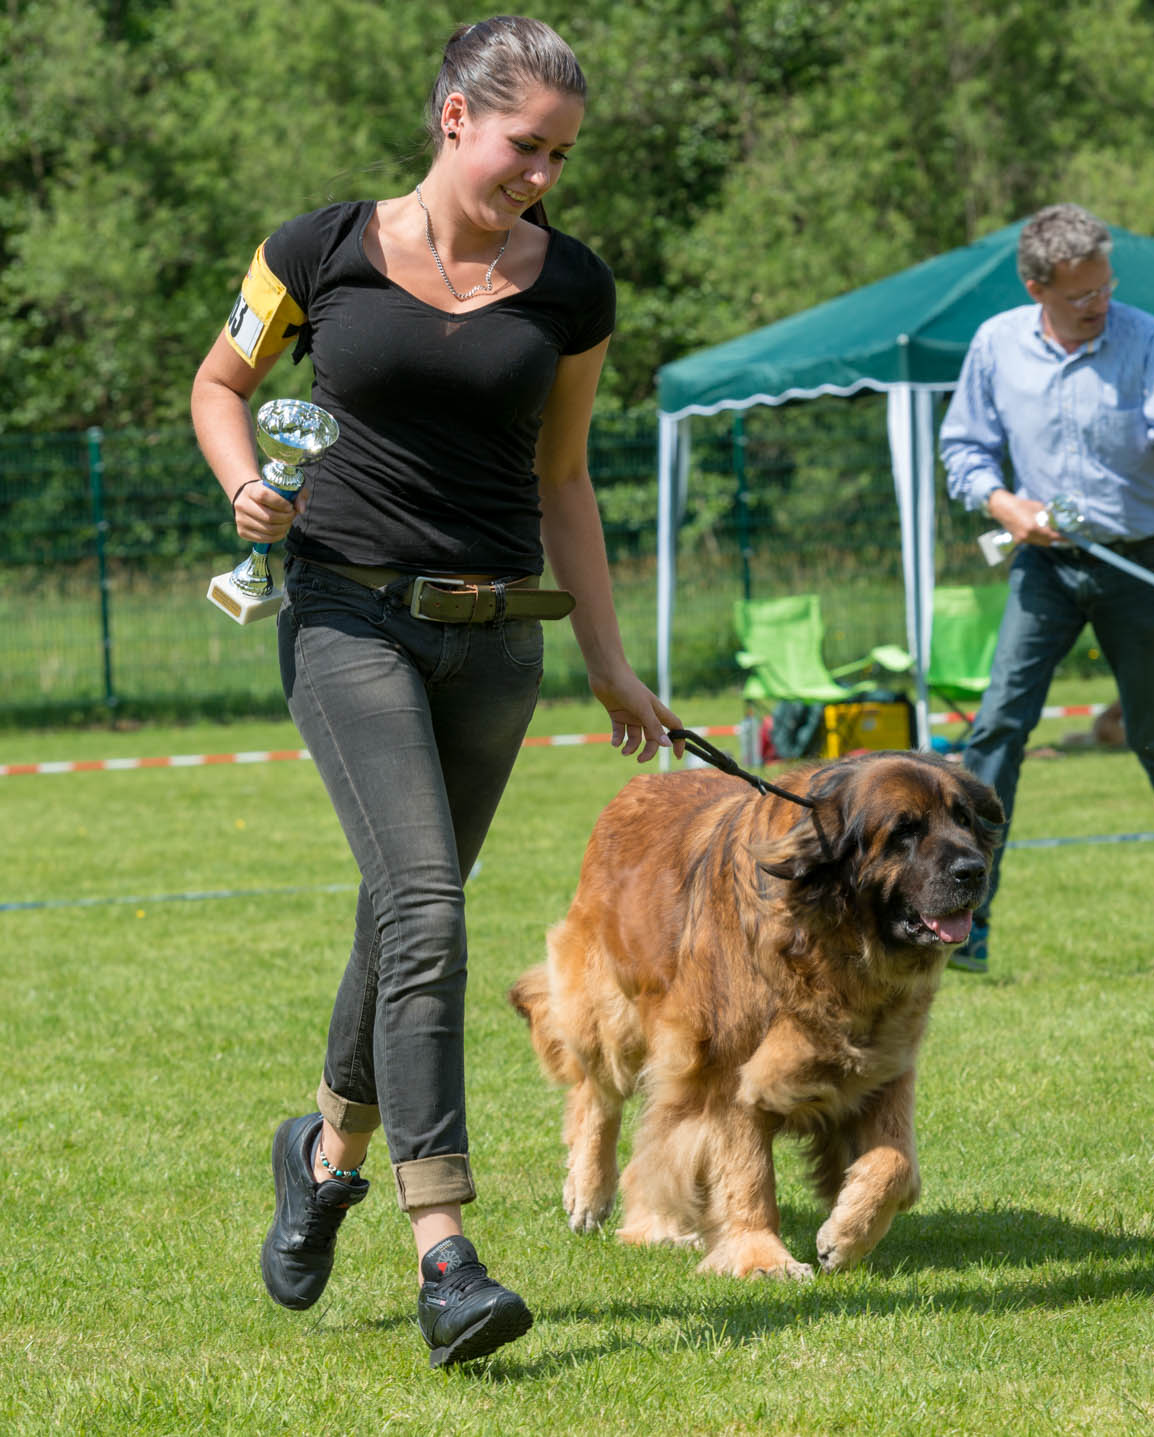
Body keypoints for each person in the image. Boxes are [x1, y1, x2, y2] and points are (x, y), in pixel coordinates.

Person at [190, 15, 682, 1368]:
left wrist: (609, 658)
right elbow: (222, 383)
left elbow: (564, 476)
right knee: (426, 909)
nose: (545, 175)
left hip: (498, 639)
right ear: (456, 117)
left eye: (563, 155)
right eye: (528, 145)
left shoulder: (572, 289)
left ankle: (325, 1153)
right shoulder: (317, 250)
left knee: (401, 911)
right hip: (346, 615)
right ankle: (445, 1251)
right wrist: (244, 483)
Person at [939, 203, 1154, 974]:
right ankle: (968, 911)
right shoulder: (996, 345)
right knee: (996, 729)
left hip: (1141, 560)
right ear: (1037, 288)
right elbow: (964, 448)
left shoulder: (1148, 341)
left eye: (1106, 287)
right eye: (1081, 295)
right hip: (1045, 564)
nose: (1100, 303)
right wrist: (1003, 503)